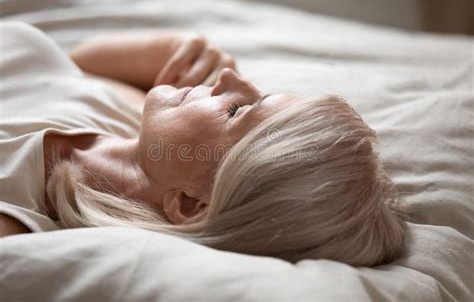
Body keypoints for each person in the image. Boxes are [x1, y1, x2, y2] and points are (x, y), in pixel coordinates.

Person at [0, 22, 408, 267]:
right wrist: (170, 51)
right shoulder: (129, 115)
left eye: (235, 111)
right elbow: (75, 63)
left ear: (192, 204)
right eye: (259, 93)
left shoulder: (17, 217)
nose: (231, 76)